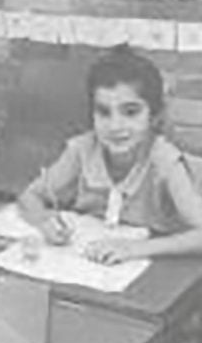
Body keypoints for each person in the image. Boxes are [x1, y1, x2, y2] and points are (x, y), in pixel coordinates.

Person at [18, 44, 202, 264]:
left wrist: (136, 249)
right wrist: (45, 220)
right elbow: (29, 196)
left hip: (161, 268)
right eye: (104, 112)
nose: (115, 126)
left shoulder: (164, 159)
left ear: (153, 116)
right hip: (94, 261)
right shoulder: (82, 150)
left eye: (131, 112)